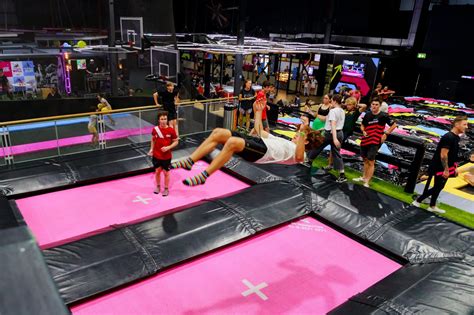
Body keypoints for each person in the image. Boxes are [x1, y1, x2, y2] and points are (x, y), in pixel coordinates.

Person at [171, 99, 324, 186]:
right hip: (258, 142)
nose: (296, 135)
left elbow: (298, 158)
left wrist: (304, 131)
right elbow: (260, 132)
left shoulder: (301, 153)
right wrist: (257, 112)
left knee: (232, 142)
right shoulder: (285, 141)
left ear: (306, 141)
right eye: (297, 133)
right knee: (219, 132)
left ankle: (204, 175)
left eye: (299, 135)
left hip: (262, 152)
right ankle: (190, 161)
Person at [412, 117, 469, 213]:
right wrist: (446, 170)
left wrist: (453, 167)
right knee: (438, 187)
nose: (466, 127)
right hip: (440, 167)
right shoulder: (448, 137)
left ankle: (432, 206)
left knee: (439, 186)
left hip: (447, 166)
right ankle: (418, 200)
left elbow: (452, 154)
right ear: (457, 124)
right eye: (464, 124)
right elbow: (443, 154)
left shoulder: (456, 137)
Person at [353, 98, 397, 187]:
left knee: (371, 161)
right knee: (365, 159)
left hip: (375, 141)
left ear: (380, 106)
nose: (374, 106)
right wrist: (363, 131)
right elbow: (362, 125)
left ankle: (367, 181)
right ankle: (363, 177)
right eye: (373, 104)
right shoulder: (367, 115)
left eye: (376, 104)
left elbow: (394, 125)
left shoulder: (383, 115)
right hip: (365, 140)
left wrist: (386, 134)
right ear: (371, 105)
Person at [308, 94, 347, 183]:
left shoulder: (333, 111)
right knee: (336, 153)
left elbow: (333, 124)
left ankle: (308, 161)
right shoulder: (342, 111)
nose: (331, 102)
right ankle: (342, 174)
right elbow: (334, 124)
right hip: (339, 133)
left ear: (335, 101)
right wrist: (323, 129)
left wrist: (334, 138)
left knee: (317, 145)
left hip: (331, 134)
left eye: (331, 100)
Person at [325, 97, 367, 170]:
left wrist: (356, 104)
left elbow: (364, 106)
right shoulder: (343, 110)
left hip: (347, 132)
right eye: (347, 105)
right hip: (339, 129)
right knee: (333, 147)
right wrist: (344, 105)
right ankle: (330, 164)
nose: (348, 106)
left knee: (335, 148)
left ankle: (333, 165)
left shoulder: (356, 112)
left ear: (353, 105)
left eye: (350, 105)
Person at [148, 112, 179, 196]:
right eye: (162, 119)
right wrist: (151, 149)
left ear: (167, 120)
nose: (163, 121)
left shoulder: (171, 130)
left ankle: (166, 188)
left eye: (165, 119)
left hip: (166, 157)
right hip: (156, 155)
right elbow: (153, 139)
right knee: (157, 171)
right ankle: (158, 186)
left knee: (166, 173)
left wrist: (168, 147)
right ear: (159, 120)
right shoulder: (155, 129)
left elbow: (176, 142)